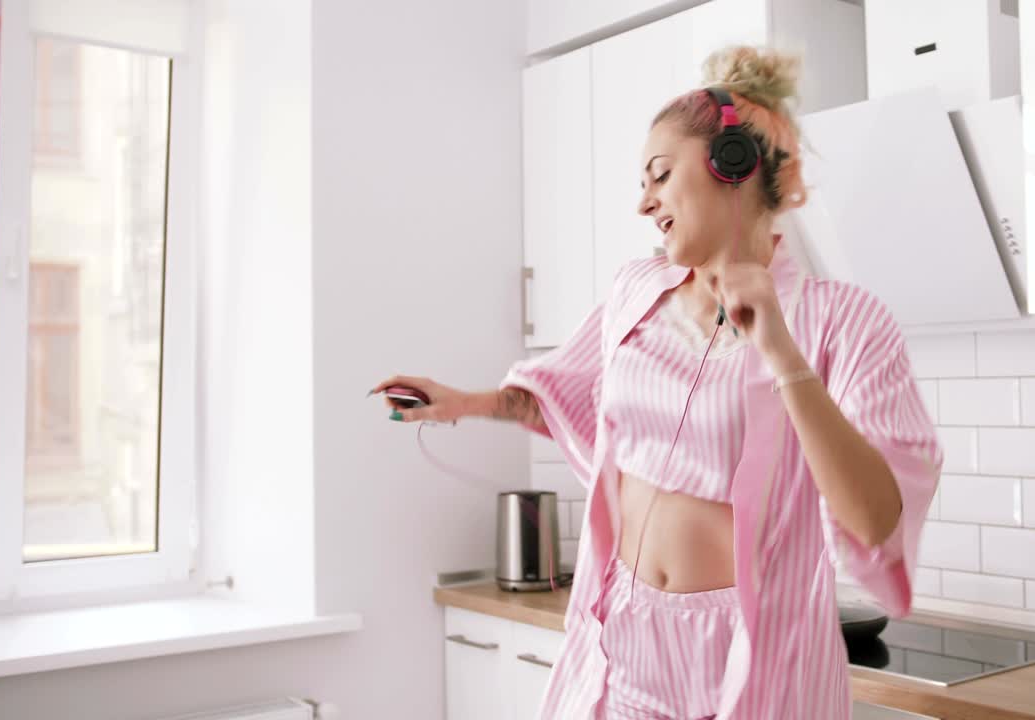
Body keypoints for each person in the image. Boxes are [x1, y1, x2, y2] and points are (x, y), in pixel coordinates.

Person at [376, 45, 942, 720]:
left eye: (659, 175)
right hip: (623, 641)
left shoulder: (841, 320)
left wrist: (779, 351)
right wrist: (463, 403)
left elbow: (876, 518)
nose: (644, 202)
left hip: (751, 653)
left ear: (732, 166)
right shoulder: (634, 292)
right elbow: (559, 394)